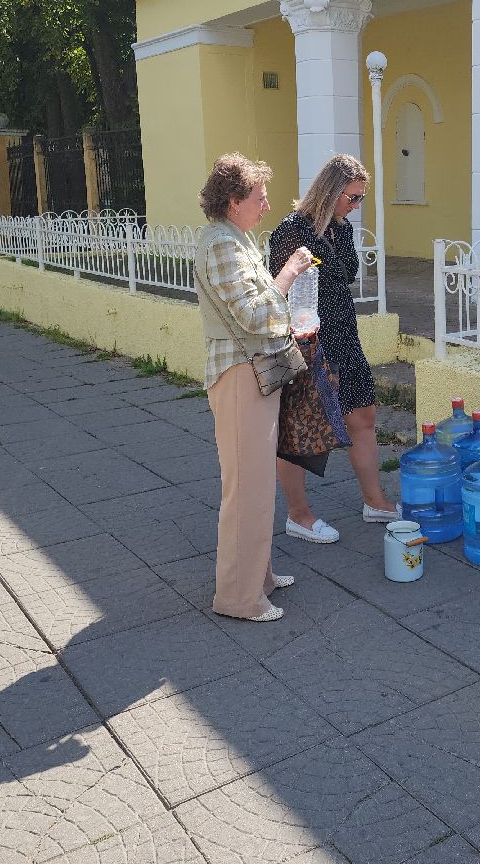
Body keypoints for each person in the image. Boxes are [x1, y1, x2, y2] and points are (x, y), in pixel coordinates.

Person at [195, 153, 315, 622]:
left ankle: (257, 576)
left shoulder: (233, 237)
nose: (267, 205)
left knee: (258, 482)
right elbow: (253, 313)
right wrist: (289, 273)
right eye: (259, 197)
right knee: (246, 488)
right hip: (241, 374)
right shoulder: (223, 244)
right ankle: (239, 599)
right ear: (233, 201)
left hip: (251, 372)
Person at [267, 154, 400, 543]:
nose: (356, 206)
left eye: (360, 199)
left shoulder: (341, 229)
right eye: (351, 197)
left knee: (363, 414)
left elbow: (346, 277)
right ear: (329, 192)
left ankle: (375, 501)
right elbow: (279, 288)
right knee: (299, 430)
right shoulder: (293, 230)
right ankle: (299, 515)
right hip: (306, 340)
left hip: (344, 332)